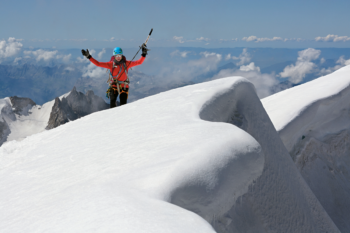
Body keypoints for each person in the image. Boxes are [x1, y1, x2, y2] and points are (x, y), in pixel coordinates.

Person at [81, 46, 148, 108]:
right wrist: (89, 57)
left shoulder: (126, 63)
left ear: (122, 55)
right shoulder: (111, 64)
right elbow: (98, 63)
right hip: (114, 85)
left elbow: (138, 62)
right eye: (117, 56)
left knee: (123, 104)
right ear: (114, 56)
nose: (118, 57)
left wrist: (143, 54)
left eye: (120, 55)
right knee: (112, 102)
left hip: (124, 85)